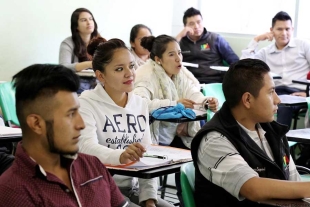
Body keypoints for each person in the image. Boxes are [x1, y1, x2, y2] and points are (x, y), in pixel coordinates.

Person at [0, 64, 128, 207]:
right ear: (36, 123)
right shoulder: (14, 191)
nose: (81, 124)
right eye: (71, 114)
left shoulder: (92, 165)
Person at [190, 59, 310, 207]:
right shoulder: (214, 140)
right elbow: (253, 188)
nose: (277, 100)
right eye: (271, 92)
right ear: (247, 99)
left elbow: (294, 182)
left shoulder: (273, 131)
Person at [78, 37, 174, 207]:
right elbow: (86, 148)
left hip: (133, 188)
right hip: (99, 190)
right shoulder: (86, 102)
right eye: (119, 69)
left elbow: (146, 154)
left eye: (131, 66)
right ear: (101, 76)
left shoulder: (140, 103)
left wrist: (149, 199)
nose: (129, 73)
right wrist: (120, 156)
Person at [133, 34, 219, 206]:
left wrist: (206, 101)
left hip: (176, 133)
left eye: (179, 53)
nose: (178, 58)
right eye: (171, 54)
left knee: (196, 154)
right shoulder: (146, 75)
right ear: (158, 59)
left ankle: (189, 200)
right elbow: (140, 103)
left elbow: (192, 92)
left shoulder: (180, 73)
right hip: (152, 136)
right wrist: (174, 103)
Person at [241, 11, 310, 127]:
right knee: (252, 102)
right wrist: (256, 40)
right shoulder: (266, 52)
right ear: (271, 30)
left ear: (292, 29)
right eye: (279, 29)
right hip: (275, 92)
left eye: (287, 29)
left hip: (298, 92)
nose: (284, 33)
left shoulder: (303, 46)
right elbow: (244, 66)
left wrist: (307, 93)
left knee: (282, 105)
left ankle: (280, 143)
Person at [176, 7, 239, 84]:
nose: (196, 26)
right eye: (191, 24)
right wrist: (179, 36)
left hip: (215, 81)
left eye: (198, 22)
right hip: (190, 82)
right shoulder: (180, 42)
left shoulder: (216, 39)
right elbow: (168, 56)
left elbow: (235, 61)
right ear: (185, 26)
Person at [59, 8, 103, 93]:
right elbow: (62, 68)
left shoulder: (100, 42)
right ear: (76, 26)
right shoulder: (68, 43)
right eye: (84, 20)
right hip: (76, 83)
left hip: (98, 83)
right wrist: (88, 64)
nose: (89, 22)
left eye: (91, 19)